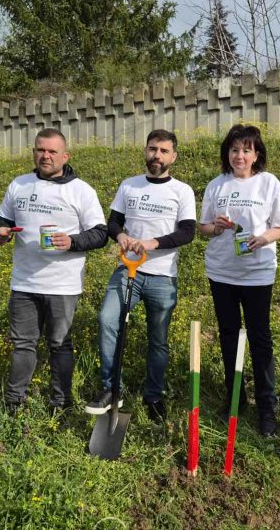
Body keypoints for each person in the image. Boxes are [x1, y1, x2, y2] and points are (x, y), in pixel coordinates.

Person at [0, 128, 107, 416]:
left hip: (62, 285)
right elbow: (2, 218)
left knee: (59, 344)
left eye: (52, 151)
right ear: (34, 152)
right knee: (22, 345)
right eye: (40, 150)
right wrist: (0, 231)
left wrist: (72, 242)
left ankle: (61, 404)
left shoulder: (81, 190)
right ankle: (14, 403)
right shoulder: (19, 184)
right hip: (24, 282)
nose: (45, 156)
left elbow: (100, 234)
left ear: (65, 156)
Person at [84, 129, 196, 422]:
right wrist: (121, 236)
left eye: (163, 151)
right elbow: (113, 222)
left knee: (158, 339)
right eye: (152, 149)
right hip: (128, 270)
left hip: (162, 277)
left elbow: (187, 232)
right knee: (107, 320)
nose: (157, 155)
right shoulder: (129, 185)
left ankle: (154, 396)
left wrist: (152, 243)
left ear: (173, 156)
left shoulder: (182, 191)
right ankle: (112, 389)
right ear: (145, 151)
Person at [198, 124, 280, 438]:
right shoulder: (217, 185)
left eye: (246, 150)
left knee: (260, 338)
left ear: (256, 154)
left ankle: (267, 407)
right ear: (227, 153)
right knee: (229, 335)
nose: (239, 155)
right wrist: (216, 227)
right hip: (222, 272)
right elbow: (203, 228)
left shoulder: (269, 183)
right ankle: (235, 397)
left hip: (257, 274)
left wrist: (262, 239)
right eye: (234, 149)